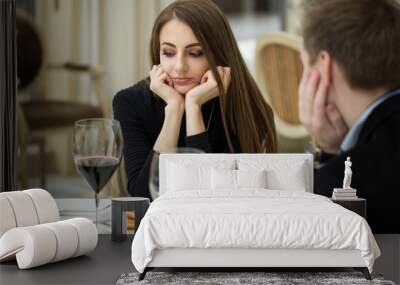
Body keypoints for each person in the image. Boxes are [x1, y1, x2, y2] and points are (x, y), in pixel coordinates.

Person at [113, 0, 277, 199]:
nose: (179, 66)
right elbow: (143, 194)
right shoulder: (129, 102)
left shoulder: (248, 109)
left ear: (218, 54)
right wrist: (174, 108)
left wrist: (193, 106)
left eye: (195, 53)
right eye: (169, 53)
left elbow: (210, 197)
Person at [298, 0, 400, 233]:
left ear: (324, 66)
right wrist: (335, 149)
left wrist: (326, 165)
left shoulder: (337, 192)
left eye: (304, 63)